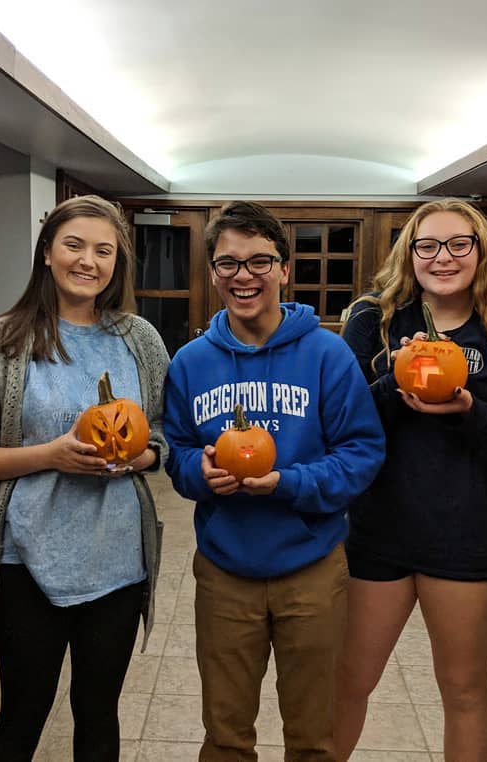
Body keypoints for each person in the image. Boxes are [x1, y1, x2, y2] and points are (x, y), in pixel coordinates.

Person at [0, 195, 168, 762]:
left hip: (116, 561)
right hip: (25, 561)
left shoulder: (139, 340)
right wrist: (50, 456)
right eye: (74, 245)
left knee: (98, 714)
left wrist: (139, 458)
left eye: (103, 250)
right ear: (47, 253)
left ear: (117, 264)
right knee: (23, 712)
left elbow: (159, 437)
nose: (88, 260)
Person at [163, 200, 385, 761]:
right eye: (228, 264)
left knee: (315, 735)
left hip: (312, 568)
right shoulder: (190, 362)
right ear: (212, 272)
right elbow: (177, 451)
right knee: (225, 733)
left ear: (284, 269)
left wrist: (287, 482)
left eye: (259, 261)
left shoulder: (328, 355)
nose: (244, 276)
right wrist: (200, 473)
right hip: (224, 570)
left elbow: (362, 452)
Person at [335, 199, 487, 761]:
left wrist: (470, 408)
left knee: (465, 690)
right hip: (379, 528)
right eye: (427, 245)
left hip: (470, 534)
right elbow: (346, 427)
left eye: (458, 244)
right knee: (347, 680)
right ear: (410, 253)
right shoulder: (373, 320)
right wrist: (396, 385)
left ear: (481, 251)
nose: (442, 257)